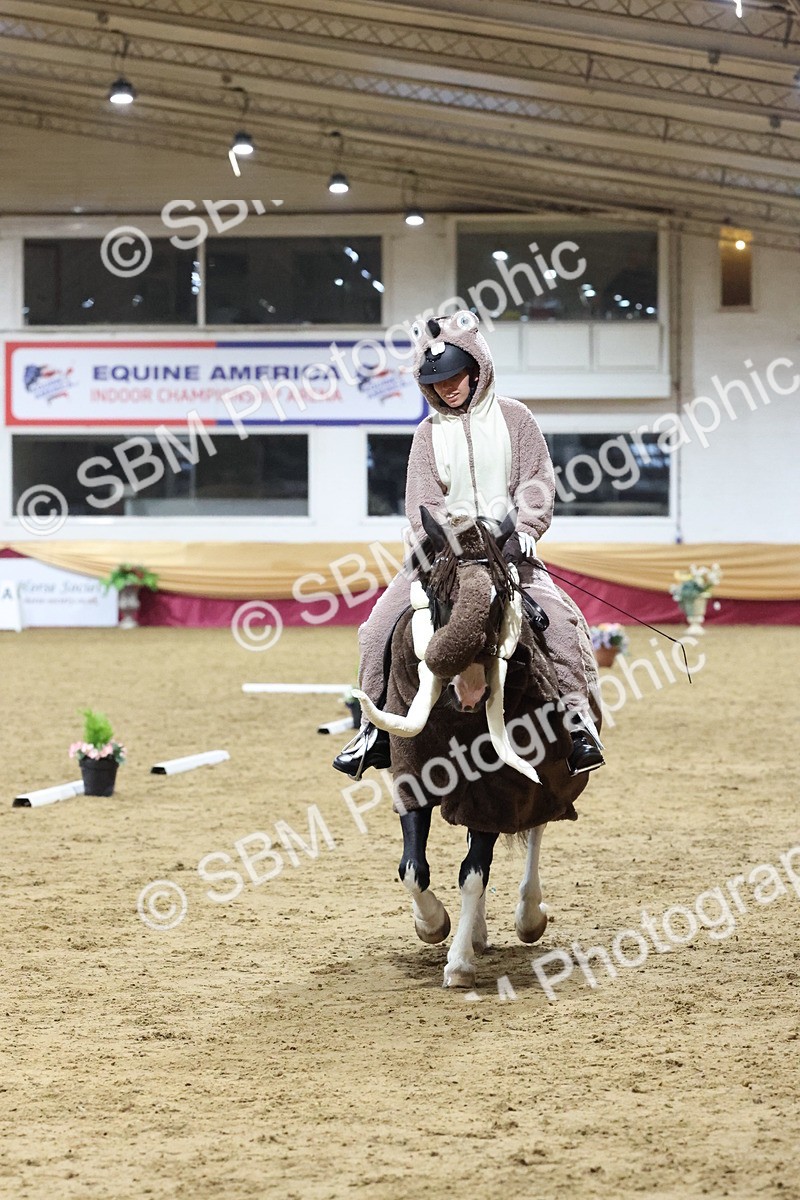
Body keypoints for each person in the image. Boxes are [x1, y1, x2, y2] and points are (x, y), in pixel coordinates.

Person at [333, 309, 604, 781]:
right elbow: (423, 500)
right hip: (444, 557)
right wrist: (436, 546)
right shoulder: (426, 434)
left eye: (455, 375)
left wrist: (526, 530)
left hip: (508, 550)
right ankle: (371, 732)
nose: (447, 387)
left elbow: (536, 483)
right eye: (436, 381)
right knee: (375, 630)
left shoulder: (516, 418)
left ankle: (578, 725)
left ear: (477, 367)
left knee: (559, 624)